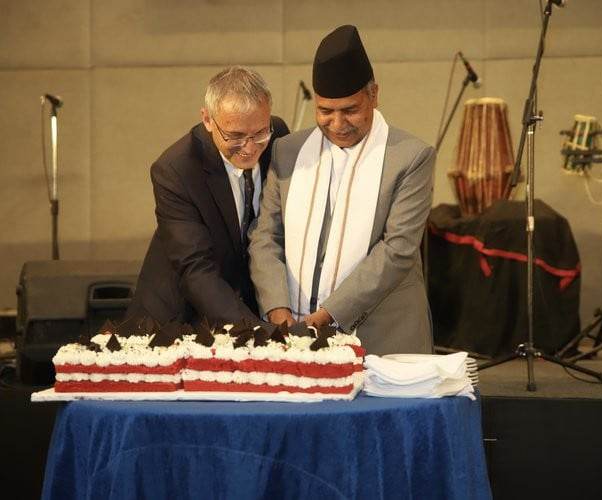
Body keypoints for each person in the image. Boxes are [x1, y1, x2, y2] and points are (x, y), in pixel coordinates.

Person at [249, 25, 435, 355]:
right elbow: (266, 237)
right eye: (325, 111)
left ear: (374, 95)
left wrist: (328, 316)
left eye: (350, 110)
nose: (337, 124)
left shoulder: (410, 156)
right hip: (291, 333)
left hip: (383, 337)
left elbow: (398, 250)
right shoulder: (288, 151)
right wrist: (277, 310)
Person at [127, 66, 289, 326]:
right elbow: (196, 270)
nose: (249, 148)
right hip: (179, 319)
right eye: (235, 136)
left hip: (245, 306)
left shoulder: (277, 134)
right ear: (208, 120)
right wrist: (259, 331)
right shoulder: (176, 170)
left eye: (259, 133)